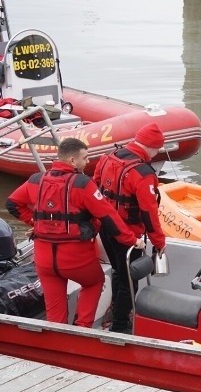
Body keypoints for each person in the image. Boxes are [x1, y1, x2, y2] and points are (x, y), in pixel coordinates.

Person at [6, 138, 143, 327]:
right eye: (85, 158)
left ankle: (57, 339)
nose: (87, 162)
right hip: (76, 258)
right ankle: (82, 328)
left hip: (44, 260)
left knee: (55, 310)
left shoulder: (36, 180)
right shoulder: (83, 184)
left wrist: (37, 222)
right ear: (72, 160)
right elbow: (108, 217)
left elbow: (12, 204)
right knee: (95, 282)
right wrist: (131, 240)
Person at [93, 122, 167, 334]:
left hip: (106, 229)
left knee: (119, 271)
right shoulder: (143, 173)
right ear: (151, 147)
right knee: (129, 282)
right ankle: (120, 327)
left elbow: (95, 187)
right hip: (129, 235)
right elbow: (148, 212)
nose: (156, 154)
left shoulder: (108, 157)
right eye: (157, 149)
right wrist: (160, 242)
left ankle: (116, 312)